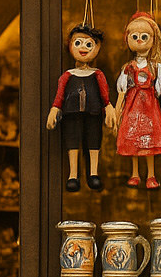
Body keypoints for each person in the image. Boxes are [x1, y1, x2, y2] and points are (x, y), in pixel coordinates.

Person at [46, 24, 116, 191]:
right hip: (71, 113)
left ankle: (93, 173)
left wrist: (109, 107)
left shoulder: (98, 74)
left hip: (94, 112)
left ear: (97, 47)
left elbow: (105, 95)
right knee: (72, 141)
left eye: (89, 44)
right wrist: (55, 109)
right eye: (78, 43)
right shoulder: (67, 75)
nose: (83, 48)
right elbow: (60, 95)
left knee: (94, 140)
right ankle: (73, 175)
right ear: (70, 45)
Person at [112, 12, 161, 189]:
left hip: (150, 108)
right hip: (132, 108)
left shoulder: (156, 67)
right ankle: (134, 174)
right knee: (133, 140)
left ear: (153, 39)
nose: (139, 40)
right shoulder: (127, 68)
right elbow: (122, 93)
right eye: (135, 36)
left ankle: (151, 175)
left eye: (144, 36)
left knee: (149, 141)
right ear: (128, 39)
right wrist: (117, 113)